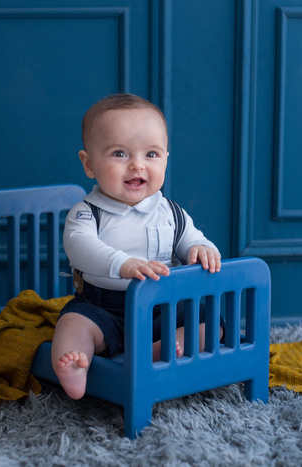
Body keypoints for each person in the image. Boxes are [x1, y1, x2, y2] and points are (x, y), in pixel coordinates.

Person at [51, 93, 222, 400]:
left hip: (164, 306)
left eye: (151, 154)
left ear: (166, 159)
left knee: (212, 324)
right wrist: (123, 264)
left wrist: (202, 248)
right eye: (119, 154)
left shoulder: (171, 211)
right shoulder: (87, 212)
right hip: (104, 306)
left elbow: (191, 239)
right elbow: (80, 247)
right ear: (89, 164)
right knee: (72, 325)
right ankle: (74, 364)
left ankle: (160, 348)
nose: (136, 165)